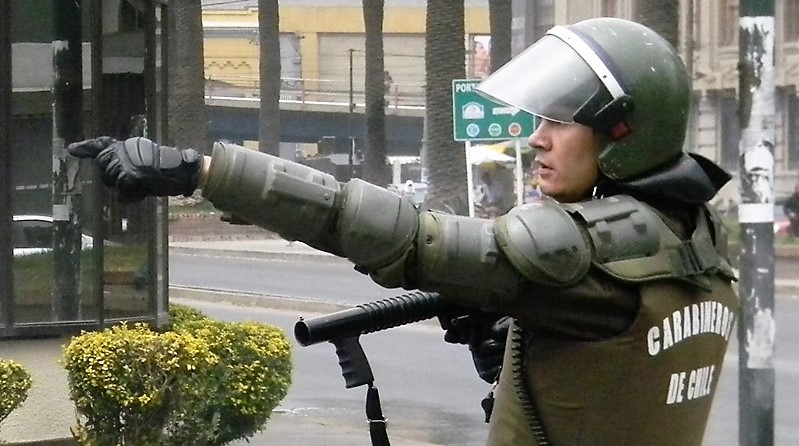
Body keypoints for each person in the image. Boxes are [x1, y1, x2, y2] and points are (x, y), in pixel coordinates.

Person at [68, 17, 737, 446]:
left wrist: (202, 170)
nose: (536, 138)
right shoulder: (691, 239)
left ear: (623, 135)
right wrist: (517, 351)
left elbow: (404, 236)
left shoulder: (580, 254)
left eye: (561, 123)